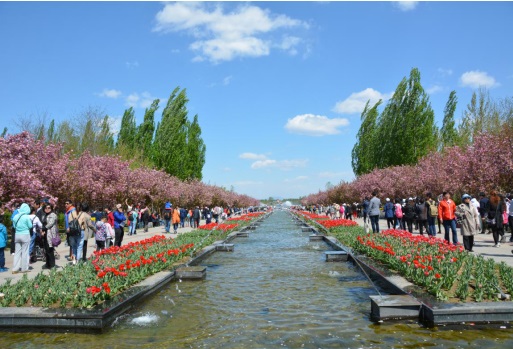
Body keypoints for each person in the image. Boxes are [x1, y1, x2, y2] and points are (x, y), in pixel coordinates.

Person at [12, 203, 33, 274]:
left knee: (17, 252)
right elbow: (30, 226)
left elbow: (14, 226)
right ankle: (24, 268)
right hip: (25, 235)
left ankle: (15, 269)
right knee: (25, 252)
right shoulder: (27, 217)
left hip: (17, 235)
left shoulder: (15, 217)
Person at [41, 204, 58, 269]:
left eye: (49, 208)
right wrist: (42, 230)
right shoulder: (44, 215)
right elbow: (43, 223)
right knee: (46, 249)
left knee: (50, 249)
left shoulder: (53, 215)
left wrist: (43, 228)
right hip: (45, 234)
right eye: (46, 208)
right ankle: (47, 264)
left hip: (50, 234)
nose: (47, 209)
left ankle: (52, 265)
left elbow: (50, 223)